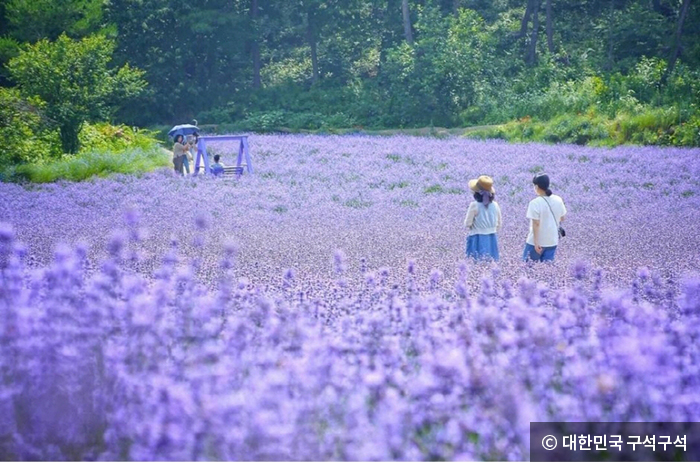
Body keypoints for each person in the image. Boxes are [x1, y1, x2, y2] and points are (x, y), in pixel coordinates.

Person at [523, 173, 567, 262]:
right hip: (552, 241)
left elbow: (536, 224)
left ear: (536, 186)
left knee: (527, 267)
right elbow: (562, 218)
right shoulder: (558, 200)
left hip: (537, 243)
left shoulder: (535, 203)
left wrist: (536, 242)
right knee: (547, 269)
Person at [464, 175, 502, 261]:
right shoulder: (495, 205)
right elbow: (499, 223)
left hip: (477, 237)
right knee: (491, 261)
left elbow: (467, 223)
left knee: (476, 261)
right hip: (492, 238)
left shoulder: (474, 205)